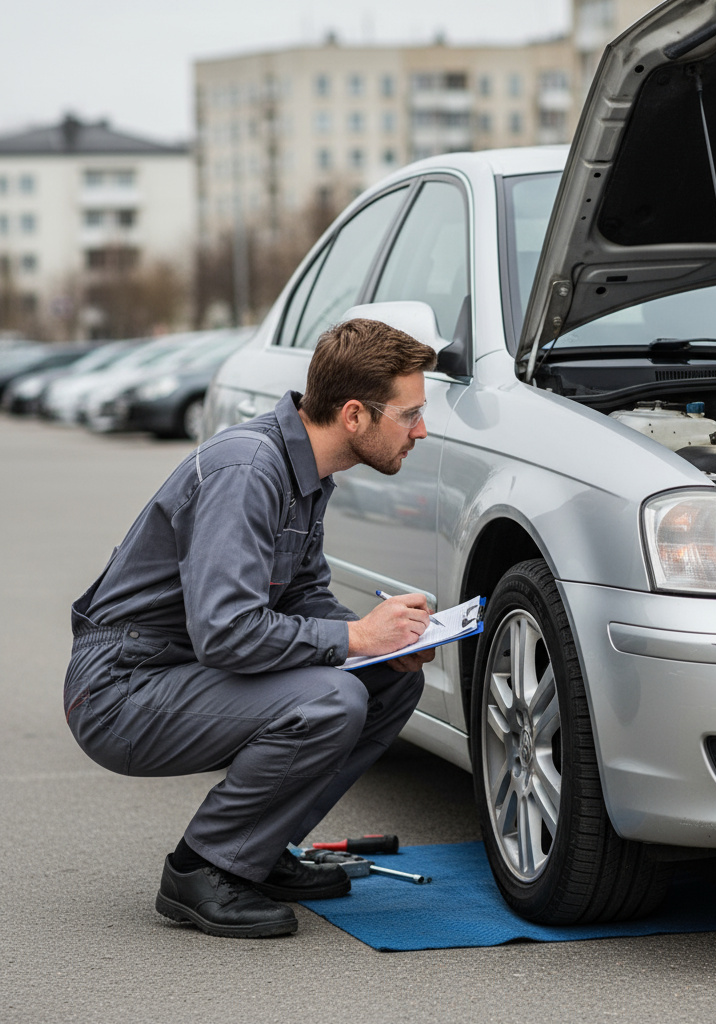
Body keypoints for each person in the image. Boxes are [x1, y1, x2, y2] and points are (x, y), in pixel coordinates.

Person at [63, 318, 439, 938]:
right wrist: (354, 640)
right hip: (122, 690)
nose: (420, 431)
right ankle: (202, 869)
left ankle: (258, 853)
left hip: (181, 672)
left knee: (385, 682)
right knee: (334, 695)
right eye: (409, 415)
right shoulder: (249, 471)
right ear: (353, 415)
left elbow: (304, 596)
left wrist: (383, 640)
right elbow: (226, 632)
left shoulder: (305, 474)